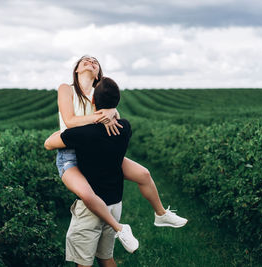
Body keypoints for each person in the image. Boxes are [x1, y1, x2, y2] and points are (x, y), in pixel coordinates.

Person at [53, 55, 188, 252]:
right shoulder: (66, 89)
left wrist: (112, 112)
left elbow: (114, 116)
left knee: (144, 174)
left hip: (95, 150)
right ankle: (120, 228)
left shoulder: (97, 95)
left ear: (99, 73)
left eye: (95, 62)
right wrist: (102, 115)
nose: (90, 62)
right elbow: (70, 120)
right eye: (85, 60)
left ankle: (160, 214)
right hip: (70, 154)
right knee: (86, 193)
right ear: (76, 69)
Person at [45, 77, 137, 266]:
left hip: (91, 209)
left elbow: (48, 144)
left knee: (83, 262)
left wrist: (61, 133)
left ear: (93, 101)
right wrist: (112, 112)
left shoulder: (82, 135)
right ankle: (156, 214)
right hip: (114, 203)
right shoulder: (125, 127)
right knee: (106, 257)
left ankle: (121, 229)